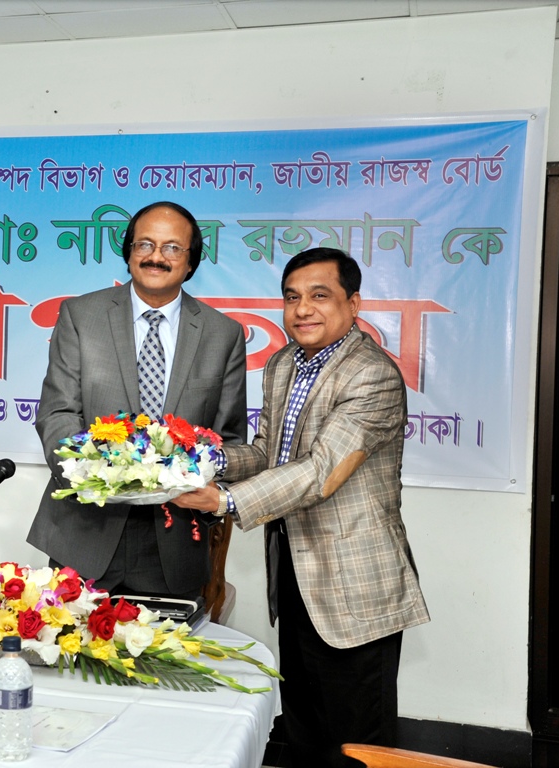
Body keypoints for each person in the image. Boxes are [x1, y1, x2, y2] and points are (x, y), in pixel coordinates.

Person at [175, 247, 430, 767]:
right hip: (294, 570)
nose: (302, 309)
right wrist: (201, 460)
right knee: (304, 727)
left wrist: (225, 500)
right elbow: (268, 452)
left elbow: (322, 470)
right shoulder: (283, 363)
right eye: (292, 298)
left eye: (320, 296)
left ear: (353, 304)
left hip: (353, 580)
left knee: (356, 742)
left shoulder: (372, 375)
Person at [29, 201, 248, 601]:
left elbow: (228, 437)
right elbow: (58, 413)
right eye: (144, 244)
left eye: (172, 248)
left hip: (174, 539)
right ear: (129, 252)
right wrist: (89, 477)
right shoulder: (80, 315)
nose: (155, 257)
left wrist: (203, 488)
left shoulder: (223, 334)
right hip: (85, 530)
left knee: (167, 644)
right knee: (70, 643)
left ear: (191, 261)